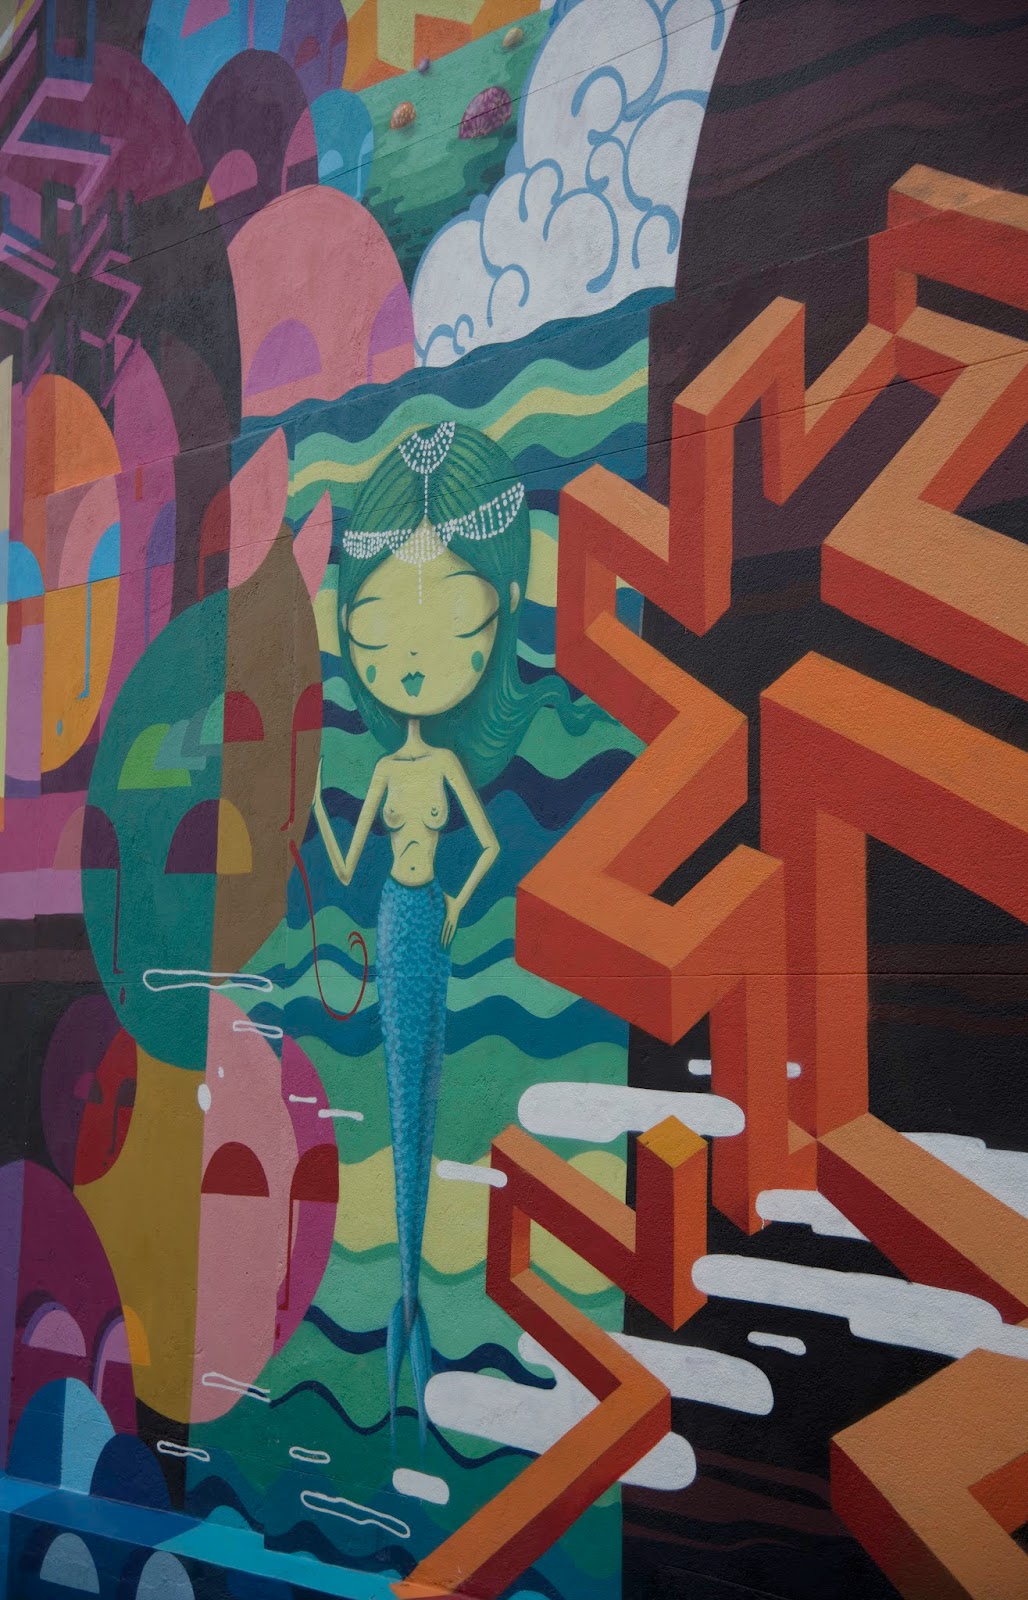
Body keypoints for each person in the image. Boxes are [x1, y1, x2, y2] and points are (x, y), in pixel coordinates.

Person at [313, 421, 594, 1439]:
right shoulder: (391, 773)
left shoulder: (435, 770)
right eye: (376, 627)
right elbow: (351, 861)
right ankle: (403, 1302)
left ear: (502, 610)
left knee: (426, 1089)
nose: (409, 656)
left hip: (428, 920)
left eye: (453, 617)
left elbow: (483, 847)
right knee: (401, 1091)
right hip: (398, 918)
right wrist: (318, 823)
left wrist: (463, 905)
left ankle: (412, 1312)